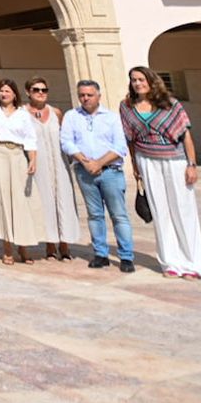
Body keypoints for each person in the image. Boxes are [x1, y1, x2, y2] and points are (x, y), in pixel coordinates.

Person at [122, 65, 201, 279]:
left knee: (183, 210)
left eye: (141, 79)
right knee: (161, 212)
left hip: (175, 160)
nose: (138, 83)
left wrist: (192, 164)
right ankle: (170, 262)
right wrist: (135, 167)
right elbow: (130, 140)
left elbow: (185, 136)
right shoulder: (127, 107)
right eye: (134, 80)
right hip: (147, 160)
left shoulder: (170, 104)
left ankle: (192, 264)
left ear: (151, 81)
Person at [60, 79, 134, 273]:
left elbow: (119, 147)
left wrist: (99, 163)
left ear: (98, 96)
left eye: (89, 95)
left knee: (119, 215)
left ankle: (126, 256)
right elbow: (66, 142)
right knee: (94, 215)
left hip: (110, 172)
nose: (85, 98)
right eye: (82, 95)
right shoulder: (71, 116)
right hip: (84, 172)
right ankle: (100, 254)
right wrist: (85, 162)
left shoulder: (111, 117)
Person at [0, 79, 44, 264]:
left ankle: (24, 247)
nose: (4, 94)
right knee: (2, 199)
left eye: (7, 91)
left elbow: (30, 139)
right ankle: (7, 248)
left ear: (14, 94)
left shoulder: (22, 113)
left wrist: (33, 159)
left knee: (21, 201)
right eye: (1, 91)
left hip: (18, 154)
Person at [25, 78, 79, 260]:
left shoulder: (56, 113)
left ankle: (65, 245)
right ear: (28, 92)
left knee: (63, 200)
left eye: (44, 90)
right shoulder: (22, 114)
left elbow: (66, 137)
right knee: (45, 201)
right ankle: (50, 245)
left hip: (59, 163)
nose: (40, 93)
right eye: (36, 89)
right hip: (37, 165)